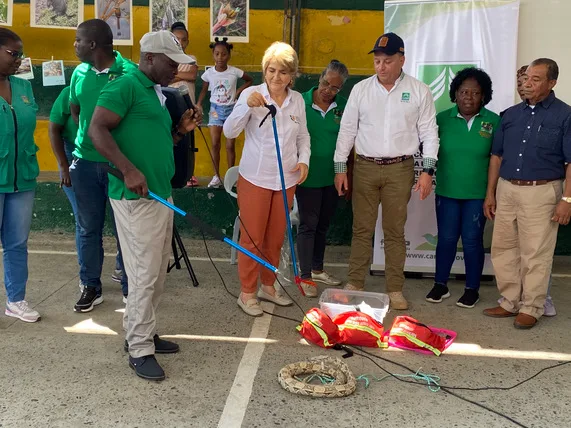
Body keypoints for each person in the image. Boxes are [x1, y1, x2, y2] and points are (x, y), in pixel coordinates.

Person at [89, 30, 201, 381]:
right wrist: (128, 169)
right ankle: (138, 348)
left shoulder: (154, 92)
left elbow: (151, 142)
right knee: (143, 275)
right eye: (171, 64)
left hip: (158, 193)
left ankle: (143, 332)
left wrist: (179, 132)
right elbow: (97, 129)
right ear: (149, 57)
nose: (176, 71)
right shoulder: (124, 86)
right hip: (136, 197)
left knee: (155, 272)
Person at [333, 32, 439, 310]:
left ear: (402, 60)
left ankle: (395, 288)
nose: (381, 66)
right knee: (361, 229)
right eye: (377, 61)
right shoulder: (361, 90)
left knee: (394, 230)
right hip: (365, 167)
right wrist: (340, 168)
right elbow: (347, 130)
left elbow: (429, 133)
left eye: (387, 61)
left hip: (400, 169)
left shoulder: (419, 90)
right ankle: (355, 282)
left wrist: (427, 170)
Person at [223, 41, 311, 316]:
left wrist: (304, 159)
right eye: (271, 71)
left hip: (286, 179)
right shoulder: (251, 93)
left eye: (283, 72)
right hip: (256, 178)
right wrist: (244, 108)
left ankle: (268, 286)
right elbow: (229, 131)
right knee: (252, 239)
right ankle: (247, 293)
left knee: (275, 238)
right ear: (264, 71)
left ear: (292, 75)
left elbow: (303, 136)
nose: (276, 77)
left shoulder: (297, 100)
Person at [483, 58, 571, 329]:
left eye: (535, 79)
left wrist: (567, 199)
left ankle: (532, 306)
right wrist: (491, 193)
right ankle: (510, 301)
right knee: (504, 247)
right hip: (507, 188)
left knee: (536, 252)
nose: (527, 83)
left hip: (542, 191)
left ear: (552, 83)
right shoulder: (510, 115)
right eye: (525, 78)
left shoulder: (564, 115)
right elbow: (496, 156)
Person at [69, 19, 136, 312]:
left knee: (125, 228)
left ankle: (128, 287)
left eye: (78, 40)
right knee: (87, 228)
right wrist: (87, 142)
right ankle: (91, 286)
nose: (75, 45)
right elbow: (75, 111)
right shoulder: (79, 74)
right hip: (84, 164)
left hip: (118, 165)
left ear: (93, 44)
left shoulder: (130, 73)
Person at [424, 68, 500, 308]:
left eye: (475, 92)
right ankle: (440, 284)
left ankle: (472, 289)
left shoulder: (494, 121)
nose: (469, 97)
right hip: (447, 192)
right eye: (463, 91)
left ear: (484, 96)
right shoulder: (441, 119)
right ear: (455, 94)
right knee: (445, 239)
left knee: (471, 241)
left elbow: (498, 160)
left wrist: (491, 194)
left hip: (477, 196)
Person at [296, 60, 349, 296]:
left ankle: (317, 269)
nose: (329, 90)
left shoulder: (344, 107)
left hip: (333, 176)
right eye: (326, 83)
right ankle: (305, 276)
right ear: (319, 78)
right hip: (306, 175)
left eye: (335, 88)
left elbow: (349, 142)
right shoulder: (300, 102)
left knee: (322, 226)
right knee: (308, 225)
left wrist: (347, 174)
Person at [0, 28, 41, 323]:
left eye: (21, 55)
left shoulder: (23, 87)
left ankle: (16, 300)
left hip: (22, 178)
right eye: (13, 54)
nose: (19, 60)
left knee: (17, 243)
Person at [197, 37, 253, 188]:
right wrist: (199, 104)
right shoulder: (209, 73)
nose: (220, 57)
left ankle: (230, 176)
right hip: (215, 110)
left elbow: (250, 80)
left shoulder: (234, 72)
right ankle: (216, 176)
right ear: (213, 55)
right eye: (217, 54)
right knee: (215, 144)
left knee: (230, 145)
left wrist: (239, 91)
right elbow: (203, 91)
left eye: (223, 54)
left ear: (229, 55)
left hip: (231, 110)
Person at [49, 86, 82, 268]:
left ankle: (121, 266)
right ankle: (87, 276)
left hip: (106, 155)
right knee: (83, 217)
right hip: (72, 154)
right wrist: (64, 166)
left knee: (119, 216)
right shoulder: (69, 92)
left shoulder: (116, 89)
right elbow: (54, 129)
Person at [169, 21, 199, 187]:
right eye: (177, 39)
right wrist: (182, 75)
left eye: (184, 39)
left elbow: (193, 75)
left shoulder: (191, 59)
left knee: (187, 143)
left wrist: (176, 75)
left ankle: (189, 175)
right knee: (172, 139)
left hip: (188, 108)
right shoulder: (166, 59)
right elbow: (166, 78)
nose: (181, 43)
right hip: (170, 109)